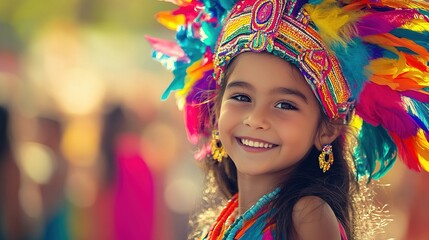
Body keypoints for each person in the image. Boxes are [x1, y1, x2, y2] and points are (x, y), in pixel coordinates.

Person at [148, 0, 429, 239]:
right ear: (216, 107)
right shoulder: (232, 215)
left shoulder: (308, 214)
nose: (256, 119)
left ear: (327, 128)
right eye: (242, 98)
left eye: (284, 104)